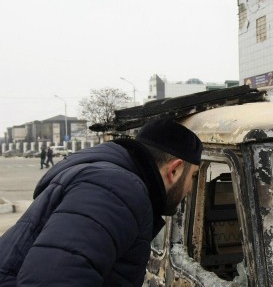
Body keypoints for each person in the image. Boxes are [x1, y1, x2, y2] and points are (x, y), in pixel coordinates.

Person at [0, 118, 203, 286]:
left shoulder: (114, 182)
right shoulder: (118, 190)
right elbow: (51, 280)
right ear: (174, 170)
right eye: (193, 176)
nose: (192, 187)